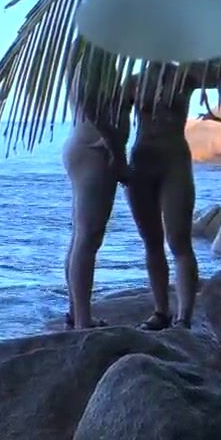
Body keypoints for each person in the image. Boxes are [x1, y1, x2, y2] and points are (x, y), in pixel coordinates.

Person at [124, 58, 221, 330]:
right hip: (141, 162)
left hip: (174, 162)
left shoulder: (185, 74)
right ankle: (161, 312)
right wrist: (115, 163)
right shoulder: (134, 82)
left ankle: (184, 318)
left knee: (179, 240)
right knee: (151, 242)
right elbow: (115, 122)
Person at [63, 56, 132, 329]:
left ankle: (76, 312)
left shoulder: (85, 51)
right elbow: (90, 102)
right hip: (94, 150)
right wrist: (115, 146)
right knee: (89, 236)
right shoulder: (95, 53)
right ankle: (82, 319)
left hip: (85, 147)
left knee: (81, 235)